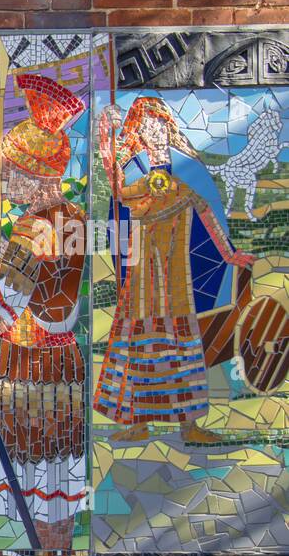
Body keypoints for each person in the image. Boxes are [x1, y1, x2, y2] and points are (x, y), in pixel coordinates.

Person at [92, 97, 255, 445]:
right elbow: (119, 201)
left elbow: (206, 214)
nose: (157, 131)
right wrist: (106, 143)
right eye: (149, 126)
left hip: (177, 281)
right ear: (139, 133)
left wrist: (230, 254)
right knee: (139, 344)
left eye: (162, 124)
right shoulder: (136, 172)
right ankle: (137, 422)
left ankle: (189, 425)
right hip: (142, 283)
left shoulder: (185, 173)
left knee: (183, 344)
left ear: (170, 129)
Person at [0, 74, 89, 549]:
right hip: (64, 364)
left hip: (28, 372)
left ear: (31, 174)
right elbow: (57, 285)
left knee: (36, 491)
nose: (7, 179)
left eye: (11, 170)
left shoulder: (30, 230)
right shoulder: (76, 218)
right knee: (57, 493)